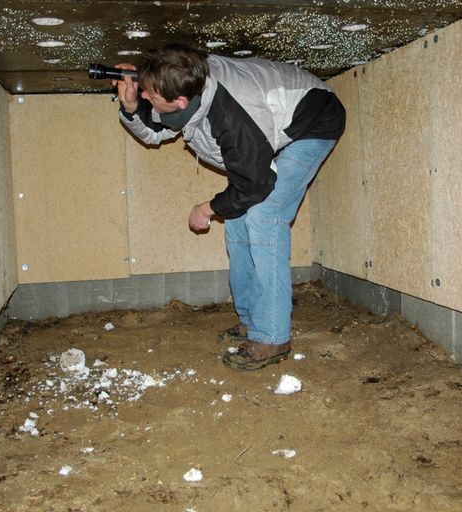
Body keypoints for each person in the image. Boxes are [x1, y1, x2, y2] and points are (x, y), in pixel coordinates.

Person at [113, 43, 345, 370]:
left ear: (179, 101)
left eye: (152, 95)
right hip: (271, 129)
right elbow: (155, 129)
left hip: (313, 121)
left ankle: (272, 336)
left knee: (265, 216)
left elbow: (255, 184)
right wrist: (133, 103)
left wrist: (206, 208)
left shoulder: (233, 115)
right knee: (237, 216)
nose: (147, 97)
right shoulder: (187, 84)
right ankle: (252, 319)